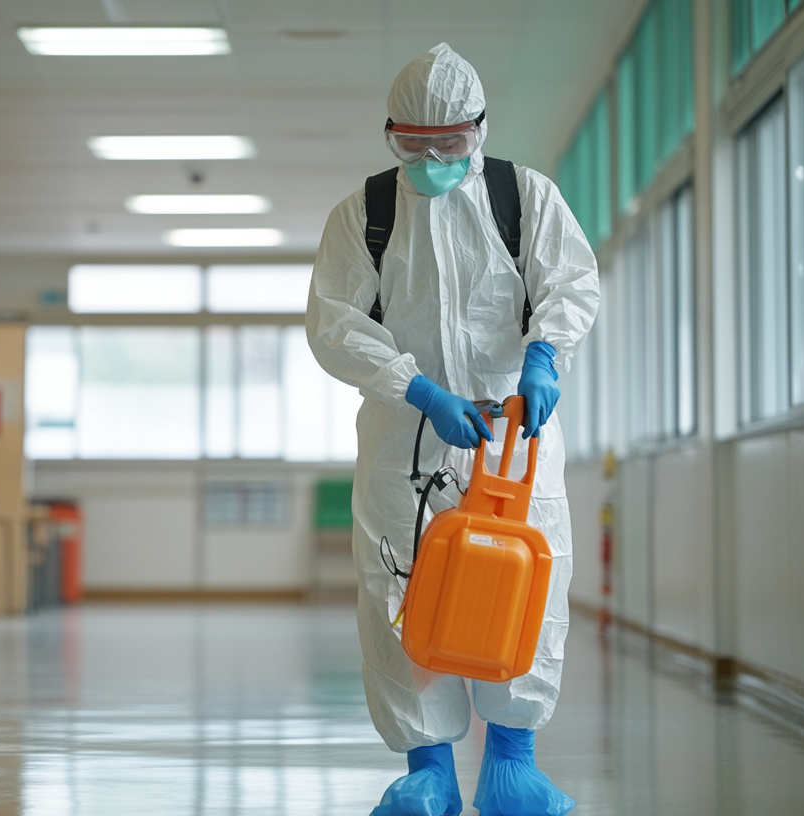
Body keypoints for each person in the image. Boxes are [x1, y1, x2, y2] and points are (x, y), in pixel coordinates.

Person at [305, 43, 599, 816]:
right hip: (406, 430)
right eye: (415, 145)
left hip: (513, 433)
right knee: (401, 587)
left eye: (452, 144)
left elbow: (571, 283)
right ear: (391, 136)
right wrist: (417, 387)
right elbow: (333, 323)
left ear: (480, 129)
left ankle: (512, 762)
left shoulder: (523, 196)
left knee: (527, 579)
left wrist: (544, 357)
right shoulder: (364, 214)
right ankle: (427, 768)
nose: (434, 159)